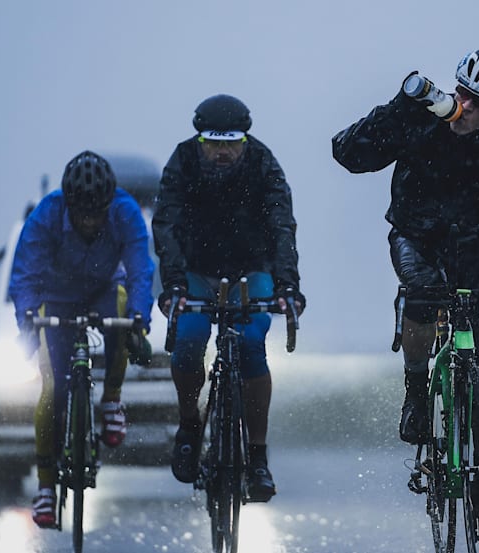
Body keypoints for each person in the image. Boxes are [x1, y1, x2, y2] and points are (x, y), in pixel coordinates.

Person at [331, 49, 479, 543]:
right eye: (462, 94)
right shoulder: (422, 119)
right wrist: (399, 106)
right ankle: (415, 390)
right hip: (417, 236)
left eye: (478, 103)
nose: (464, 107)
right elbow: (348, 154)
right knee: (424, 296)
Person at [152, 93, 305, 502]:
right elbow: (166, 224)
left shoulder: (263, 162)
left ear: (245, 141)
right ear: (199, 141)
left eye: (230, 144)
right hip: (196, 271)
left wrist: (288, 284)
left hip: (250, 270)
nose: (222, 153)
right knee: (187, 342)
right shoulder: (183, 160)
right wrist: (174, 284)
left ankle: (257, 457)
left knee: (252, 344)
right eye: (212, 144)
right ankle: (189, 425)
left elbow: (281, 224)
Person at [9, 150, 155, 528]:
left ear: (109, 203)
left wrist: (140, 320)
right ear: (68, 204)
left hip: (105, 289)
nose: (90, 221)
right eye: (82, 213)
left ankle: (110, 401)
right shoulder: (47, 213)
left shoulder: (125, 212)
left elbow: (141, 269)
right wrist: (26, 319)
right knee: (53, 387)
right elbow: (24, 272)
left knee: (124, 313)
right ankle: (45, 487)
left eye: (97, 213)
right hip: (55, 294)